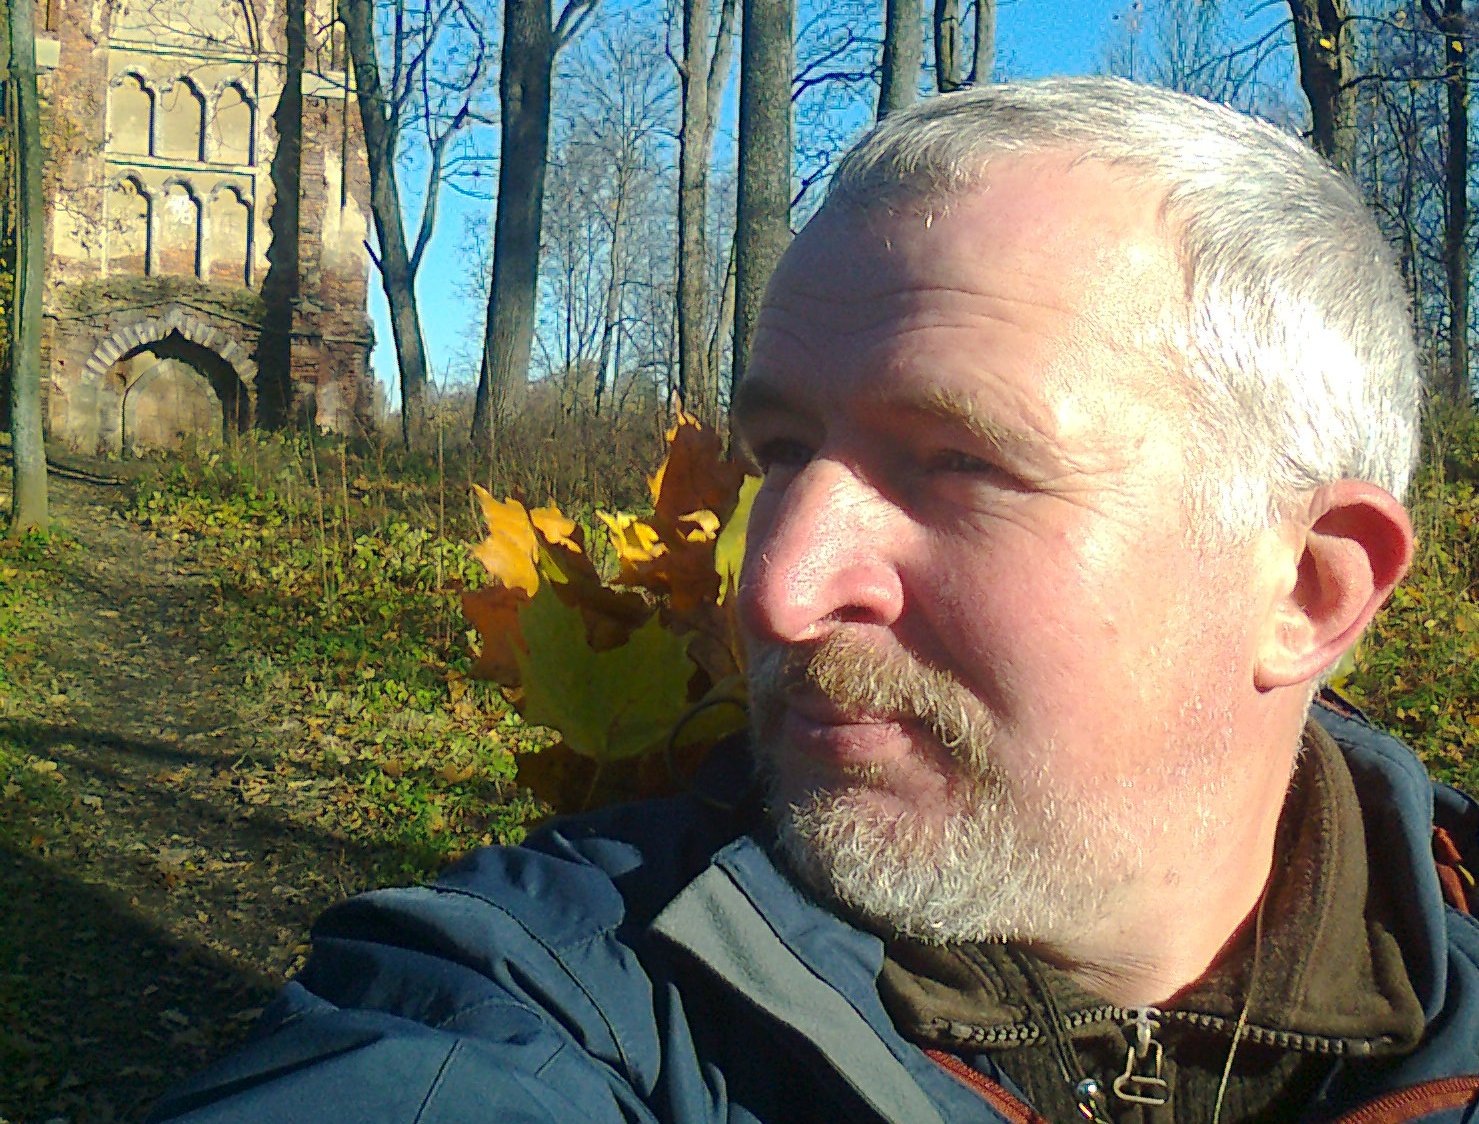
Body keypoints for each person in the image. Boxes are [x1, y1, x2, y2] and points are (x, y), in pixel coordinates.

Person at [150, 77, 1479, 1123]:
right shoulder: (563, 992)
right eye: (781, 453)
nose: (776, 588)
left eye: (960, 462)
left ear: (1307, 588)